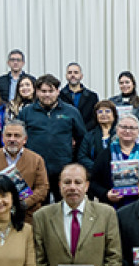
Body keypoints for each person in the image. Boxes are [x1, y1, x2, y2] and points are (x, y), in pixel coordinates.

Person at [17, 74, 87, 204]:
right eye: (43, 91)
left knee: (65, 206)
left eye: (51, 91)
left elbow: (83, 139)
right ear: (37, 92)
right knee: (37, 208)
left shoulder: (71, 112)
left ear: (58, 91)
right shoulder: (26, 113)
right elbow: (18, 138)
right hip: (35, 170)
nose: (47, 95)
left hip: (63, 170)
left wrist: (75, 162)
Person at [89, 114, 139, 209]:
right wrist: (106, 194)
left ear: (138, 131)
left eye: (132, 128)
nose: (128, 131)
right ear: (117, 129)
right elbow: (93, 182)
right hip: (113, 207)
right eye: (124, 127)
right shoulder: (105, 155)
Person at [0, 120, 50, 223]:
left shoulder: (36, 159)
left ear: (25, 139)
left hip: (28, 216)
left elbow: (43, 187)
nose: (12, 139)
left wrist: (26, 203)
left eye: (17, 136)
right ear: (2, 137)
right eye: (8, 135)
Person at [78, 100, 118, 173]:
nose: (103, 114)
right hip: (95, 173)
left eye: (107, 111)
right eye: (100, 112)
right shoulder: (89, 136)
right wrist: (97, 167)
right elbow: (82, 157)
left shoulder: (120, 135)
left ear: (114, 114)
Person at [59, 63, 99, 130]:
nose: (72, 75)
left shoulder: (92, 97)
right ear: (66, 76)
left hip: (87, 135)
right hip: (65, 134)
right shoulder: (59, 96)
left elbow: (95, 118)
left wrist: (83, 131)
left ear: (81, 76)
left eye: (76, 72)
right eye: (69, 73)